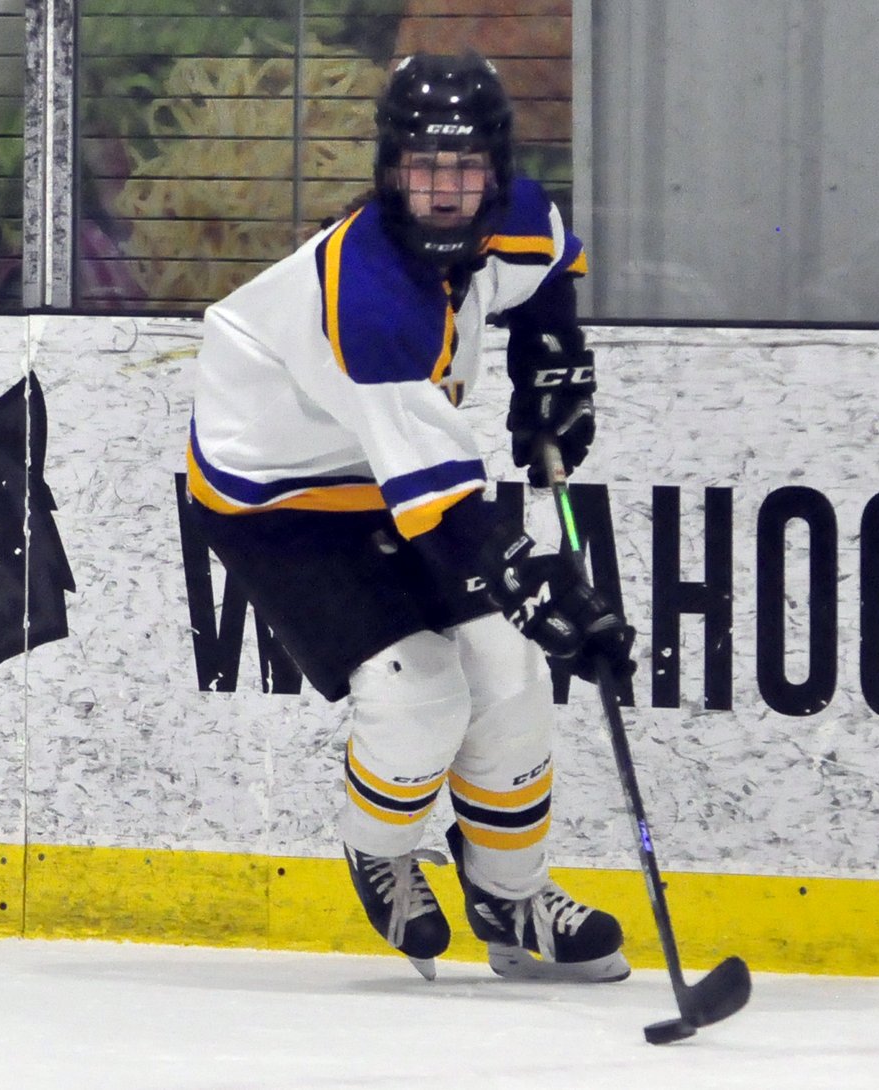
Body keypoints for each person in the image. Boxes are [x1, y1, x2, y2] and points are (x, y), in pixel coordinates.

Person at [185, 52, 635, 981]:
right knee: (416, 686)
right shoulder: (371, 294)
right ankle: (380, 849)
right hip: (278, 496)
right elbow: (443, 512)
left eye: (465, 169)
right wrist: (540, 586)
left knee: (510, 678)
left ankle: (512, 903)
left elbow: (548, 274)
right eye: (424, 169)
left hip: (385, 459)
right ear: (390, 170)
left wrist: (551, 365)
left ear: (495, 173)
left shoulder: (519, 216)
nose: (444, 191)